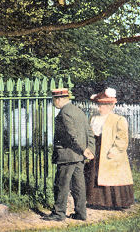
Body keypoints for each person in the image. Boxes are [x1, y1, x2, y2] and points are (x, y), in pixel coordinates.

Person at [43, 88, 95, 222]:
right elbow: (89, 132)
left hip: (67, 156)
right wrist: (90, 149)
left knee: (62, 184)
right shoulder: (78, 111)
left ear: (58, 99)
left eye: (54, 100)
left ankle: (59, 213)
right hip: (79, 157)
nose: (54, 103)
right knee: (78, 186)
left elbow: (72, 135)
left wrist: (84, 149)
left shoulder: (64, 113)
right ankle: (81, 213)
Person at [84, 88, 134, 209]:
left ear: (111, 106)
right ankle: (97, 201)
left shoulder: (118, 119)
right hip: (96, 148)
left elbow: (122, 138)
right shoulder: (93, 118)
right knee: (95, 174)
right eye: (100, 105)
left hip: (110, 151)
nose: (101, 108)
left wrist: (115, 150)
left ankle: (116, 202)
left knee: (112, 175)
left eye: (104, 106)